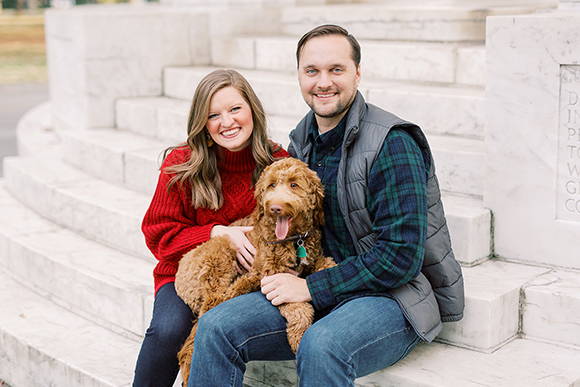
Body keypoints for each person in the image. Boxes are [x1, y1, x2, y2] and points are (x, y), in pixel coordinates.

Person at [187, 24, 465, 386]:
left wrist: (311, 288)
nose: (323, 82)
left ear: (357, 73)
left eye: (336, 69)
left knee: (321, 344)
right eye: (312, 71)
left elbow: (400, 256)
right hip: (319, 280)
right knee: (215, 326)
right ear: (299, 76)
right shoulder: (301, 142)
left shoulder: (392, 143)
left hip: (392, 297)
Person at [132, 69, 289, 387]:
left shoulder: (277, 162)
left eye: (235, 109)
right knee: (168, 329)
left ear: (252, 111)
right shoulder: (182, 163)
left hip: (247, 280)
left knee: (217, 328)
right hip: (182, 273)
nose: (227, 122)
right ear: (202, 123)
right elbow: (158, 234)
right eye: (213, 115)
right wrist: (216, 232)